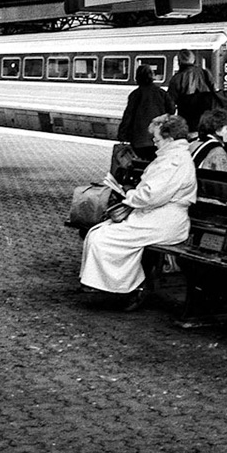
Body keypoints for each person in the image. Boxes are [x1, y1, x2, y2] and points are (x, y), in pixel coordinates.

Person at [80, 114, 196, 309]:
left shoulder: (175, 160)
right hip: (157, 216)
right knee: (100, 233)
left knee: (105, 237)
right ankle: (120, 284)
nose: (153, 141)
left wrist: (128, 194)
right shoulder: (171, 156)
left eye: (156, 138)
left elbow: (151, 195)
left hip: (166, 220)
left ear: (169, 138)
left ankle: (132, 286)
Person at [115, 64, 176, 164]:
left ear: (137, 78)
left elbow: (128, 116)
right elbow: (172, 110)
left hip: (139, 140)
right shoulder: (162, 93)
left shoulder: (135, 95)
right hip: (158, 139)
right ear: (152, 77)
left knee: (139, 166)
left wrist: (122, 134)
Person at [168, 48, 217, 130]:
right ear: (193, 60)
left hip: (186, 119)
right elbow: (214, 92)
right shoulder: (206, 73)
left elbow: (170, 102)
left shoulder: (176, 79)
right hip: (205, 117)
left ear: (179, 61)